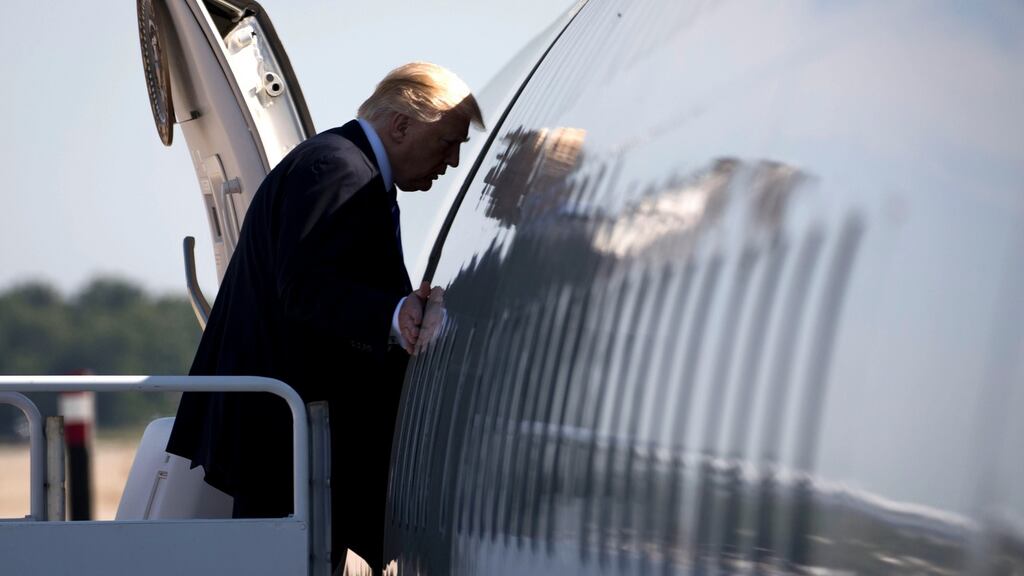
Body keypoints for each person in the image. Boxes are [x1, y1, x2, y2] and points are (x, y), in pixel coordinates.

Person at [166, 61, 483, 573]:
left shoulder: (346, 164)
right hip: (286, 440)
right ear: (401, 126)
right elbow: (303, 288)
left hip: (295, 436)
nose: (452, 160)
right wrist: (396, 314)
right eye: (447, 142)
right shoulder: (337, 169)